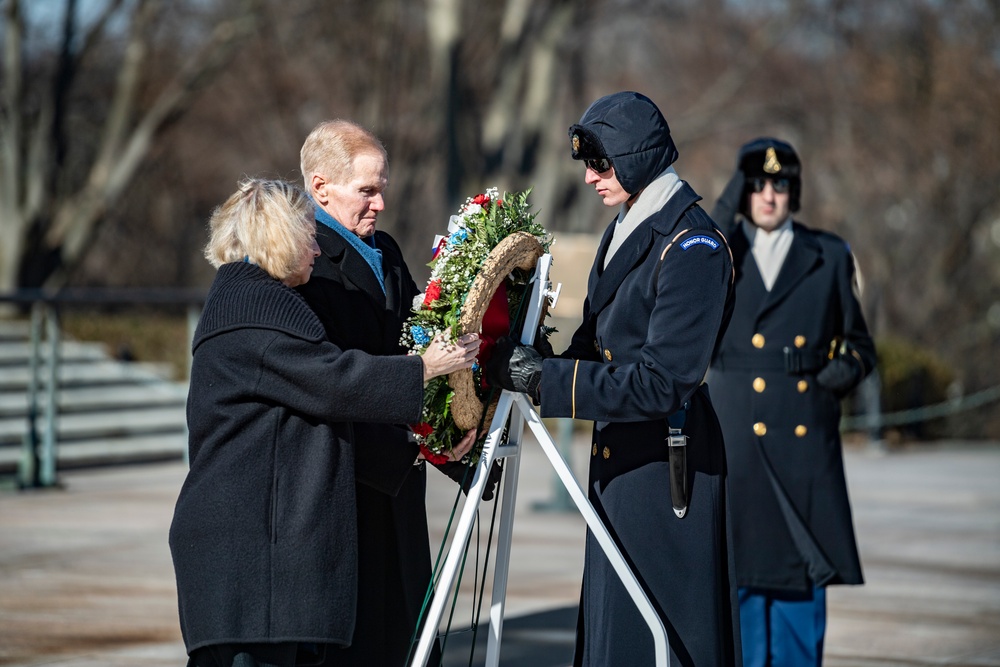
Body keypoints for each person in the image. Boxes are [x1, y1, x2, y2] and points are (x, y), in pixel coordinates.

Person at [168, 178, 480, 667]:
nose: (317, 247)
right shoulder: (255, 307)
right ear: (279, 238)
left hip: (256, 552)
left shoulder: (251, 296)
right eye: (309, 235)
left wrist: (414, 447)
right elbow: (332, 380)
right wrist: (425, 367)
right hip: (249, 556)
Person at [487, 91, 740, 666]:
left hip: (665, 466)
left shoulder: (692, 244)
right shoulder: (629, 224)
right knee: (614, 631)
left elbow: (662, 381)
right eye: (586, 164)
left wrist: (542, 381)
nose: (589, 178)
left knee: (660, 633)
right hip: (620, 463)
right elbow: (594, 343)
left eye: (601, 163)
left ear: (638, 157)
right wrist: (527, 354)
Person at [296, 119, 480, 666]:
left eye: (382, 189)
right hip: (347, 484)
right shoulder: (305, 263)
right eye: (366, 190)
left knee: (406, 638)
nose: (378, 203)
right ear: (321, 187)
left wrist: (447, 437)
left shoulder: (388, 250)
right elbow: (333, 380)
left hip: (398, 484)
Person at [708, 137, 876, 667]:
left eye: (779, 185)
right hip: (734, 443)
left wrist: (824, 387)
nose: (767, 195)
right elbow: (706, 234)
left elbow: (859, 345)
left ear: (793, 192)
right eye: (755, 184)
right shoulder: (718, 252)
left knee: (800, 592)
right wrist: (729, 194)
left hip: (803, 444)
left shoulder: (827, 255)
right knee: (737, 590)